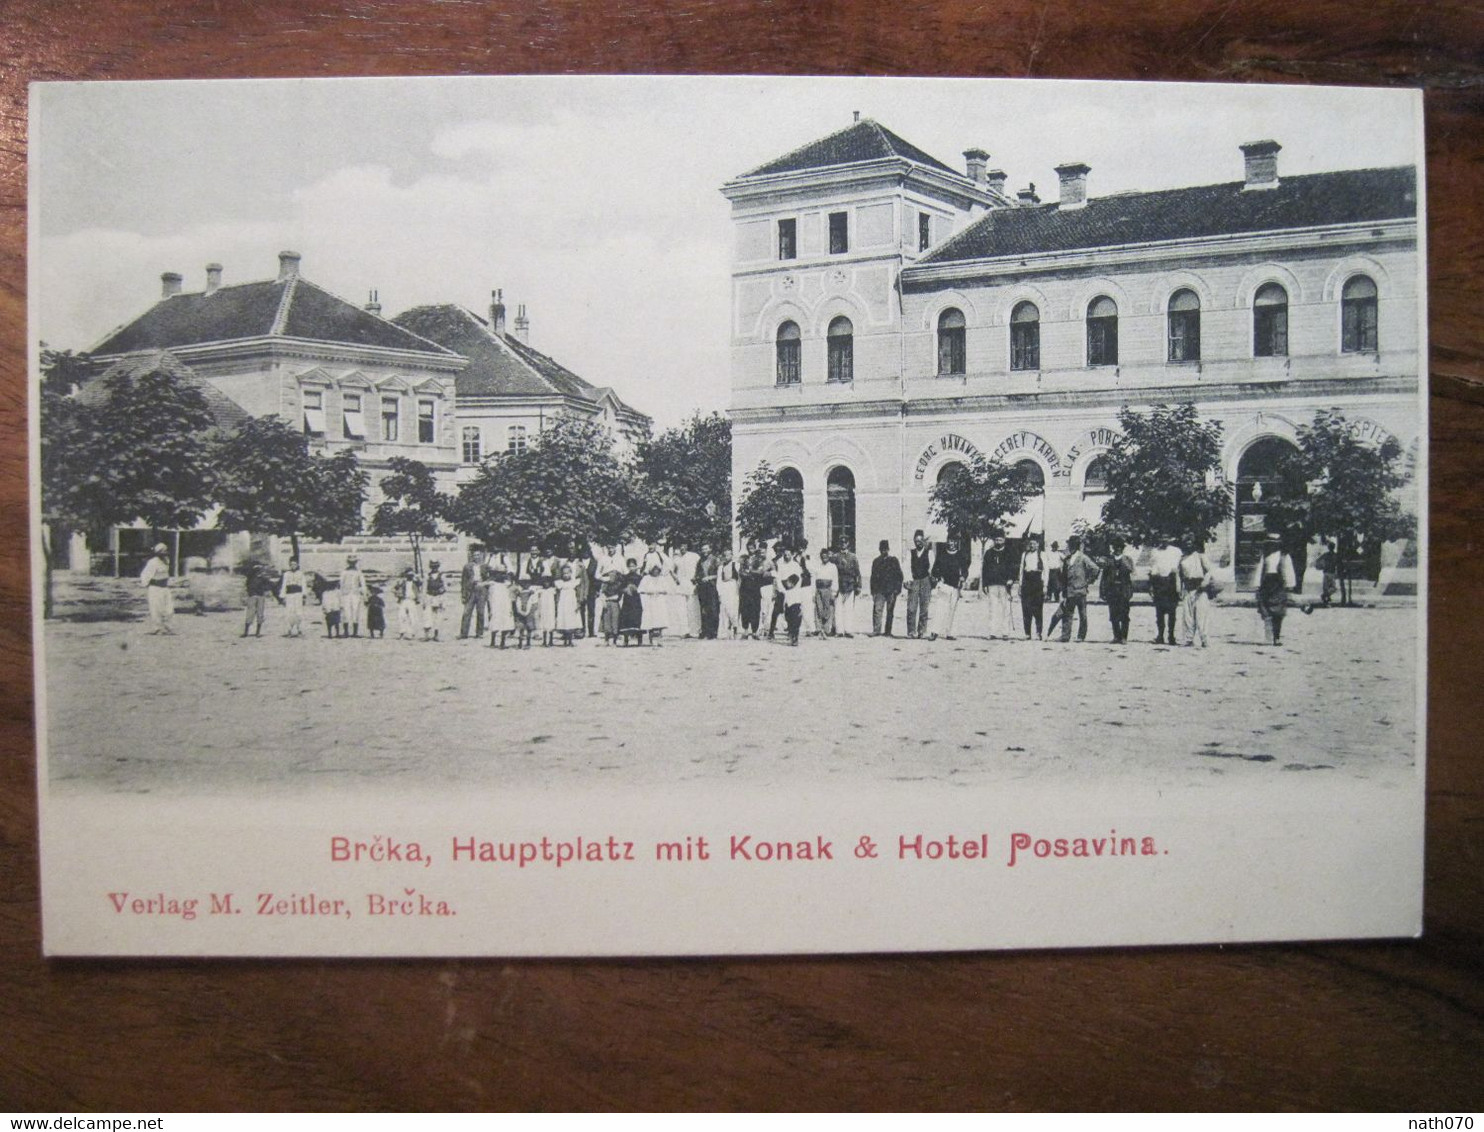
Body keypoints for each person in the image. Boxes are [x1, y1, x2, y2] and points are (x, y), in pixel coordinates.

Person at [1051, 535, 1099, 643]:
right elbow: (1064, 575)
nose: (1070, 547)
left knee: (1082, 615)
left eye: (1072, 545)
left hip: (1081, 590)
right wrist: (1063, 588)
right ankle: (1065, 636)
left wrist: (1088, 581)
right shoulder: (1067, 558)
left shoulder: (1083, 557)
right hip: (1069, 591)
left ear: (1076, 546)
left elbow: (1095, 568)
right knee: (1067, 613)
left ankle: (1081, 636)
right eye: (1070, 545)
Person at [1256, 532, 1300, 646]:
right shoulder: (1265, 557)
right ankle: (1269, 636)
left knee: (1279, 613)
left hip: (1279, 585)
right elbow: (1259, 571)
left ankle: (1277, 637)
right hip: (1267, 585)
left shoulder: (1284, 557)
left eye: (1274, 544)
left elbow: (1289, 571)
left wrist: (1289, 585)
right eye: (1270, 544)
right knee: (1267, 612)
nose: (1272, 546)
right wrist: (1257, 585)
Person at [930, 537, 968, 640]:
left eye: (954, 541)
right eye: (950, 541)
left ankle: (950, 633)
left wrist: (963, 576)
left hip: (955, 586)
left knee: (953, 610)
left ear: (956, 543)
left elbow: (964, 569)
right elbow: (934, 570)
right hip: (944, 585)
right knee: (940, 608)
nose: (952, 544)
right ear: (947, 542)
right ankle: (935, 632)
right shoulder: (942, 554)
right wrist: (939, 577)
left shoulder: (960, 555)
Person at [980, 534, 1017, 639]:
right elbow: (985, 569)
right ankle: (993, 632)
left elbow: (1014, 568)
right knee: (993, 609)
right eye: (996, 539)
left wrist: (1011, 579)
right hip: (992, 584)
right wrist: (984, 584)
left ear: (1004, 540)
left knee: (1006, 609)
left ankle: (1005, 632)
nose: (998, 542)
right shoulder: (989, 553)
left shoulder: (1009, 552)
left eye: (1000, 539)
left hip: (1005, 585)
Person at [1177, 541, 1214, 648]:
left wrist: (1204, 583)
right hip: (1188, 588)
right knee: (1187, 616)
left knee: (1201, 616)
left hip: (1200, 589)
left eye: (1190, 544)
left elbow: (1210, 571)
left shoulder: (1200, 556)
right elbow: (1179, 575)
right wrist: (1179, 588)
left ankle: (1204, 639)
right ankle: (1188, 639)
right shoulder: (1182, 559)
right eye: (1186, 544)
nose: (1188, 546)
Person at [1101, 537, 1135, 645]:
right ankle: (1116, 636)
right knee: (1113, 614)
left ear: (1123, 548)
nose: (1118, 549)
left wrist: (1123, 560)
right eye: (1116, 547)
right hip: (1112, 589)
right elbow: (1104, 576)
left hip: (1123, 589)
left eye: (1120, 547)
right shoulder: (1109, 560)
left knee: (1124, 614)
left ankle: (1124, 637)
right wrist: (1102, 591)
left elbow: (1131, 570)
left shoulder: (1127, 559)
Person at [1148, 536, 1182, 645]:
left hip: (1171, 582)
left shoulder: (1176, 551)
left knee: (1172, 612)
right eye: (1162, 539)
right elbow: (1152, 569)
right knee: (1159, 612)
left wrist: (1178, 586)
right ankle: (1160, 636)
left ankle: (1171, 636)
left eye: (1166, 539)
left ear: (1170, 540)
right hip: (1158, 583)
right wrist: (1151, 586)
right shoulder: (1154, 552)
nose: (1164, 541)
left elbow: (1178, 570)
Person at [869, 540, 904, 637]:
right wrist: (873, 591)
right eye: (882, 549)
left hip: (891, 590)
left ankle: (888, 631)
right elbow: (873, 577)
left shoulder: (894, 560)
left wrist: (897, 589)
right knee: (877, 610)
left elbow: (899, 576)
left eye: (885, 549)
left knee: (890, 611)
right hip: (879, 590)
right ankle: (876, 630)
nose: (884, 551)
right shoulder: (876, 561)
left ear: (888, 549)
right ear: (879, 550)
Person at [140, 542, 175, 635]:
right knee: (156, 609)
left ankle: (168, 628)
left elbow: (166, 574)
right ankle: (157, 628)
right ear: (158, 552)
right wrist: (146, 584)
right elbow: (145, 575)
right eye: (163, 551)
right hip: (155, 588)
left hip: (165, 588)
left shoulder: (166, 561)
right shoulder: (153, 562)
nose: (165, 553)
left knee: (169, 609)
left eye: (166, 551)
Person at [775, 548, 806, 645]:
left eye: (788, 554)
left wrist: (792, 586)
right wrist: (782, 590)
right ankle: (790, 631)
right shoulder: (781, 565)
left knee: (795, 614)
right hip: (785, 593)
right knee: (787, 614)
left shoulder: (796, 565)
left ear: (792, 555)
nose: (787, 556)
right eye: (785, 554)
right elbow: (779, 579)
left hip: (795, 592)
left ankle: (795, 636)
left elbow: (798, 579)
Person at [906, 530, 933, 639]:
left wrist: (932, 581)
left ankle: (921, 630)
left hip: (925, 580)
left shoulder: (929, 553)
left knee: (924, 607)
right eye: (916, 541)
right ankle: (911, 631)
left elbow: (932, 568)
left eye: (920, 540)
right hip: (914, 580)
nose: (918, 543)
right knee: (911, 607)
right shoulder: (910, 553)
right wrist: (908, 579)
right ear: (914, 541)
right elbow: (907, 567)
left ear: (924, 541)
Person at [1018, 536, 1046, 640]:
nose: (1032, 545)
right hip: (1026, 581)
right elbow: (1021, 570)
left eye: (1034, 543)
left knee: (1038, 608)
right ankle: (1027, 633)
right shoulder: (1024, 554)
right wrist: (1020, 585)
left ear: (1038, 544)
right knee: (1026, 608)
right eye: (1030, 543)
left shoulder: (1042, 555)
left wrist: (1045, 586)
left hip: (1037, 581)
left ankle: (1038, 632)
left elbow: (1045, 571)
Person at [487, 554, 516, 649]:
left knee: (505, 621)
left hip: (505, 605)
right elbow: (490, 597)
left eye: (503, 573)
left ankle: (503, 642)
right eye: (499, 573)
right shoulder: (493, 585)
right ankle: (492, 641)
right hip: (496, 606)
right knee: (495, 620)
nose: (501, 575)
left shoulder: (507, 584)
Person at [459, 549, 488, 639]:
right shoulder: (467, 567)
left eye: (478, 555)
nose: (476, 557)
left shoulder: (485, 566)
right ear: (472, 556)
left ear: (481, 556)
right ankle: (464, 633)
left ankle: (479, 633)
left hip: (481, 589)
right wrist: (463, 594)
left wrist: (485, 585)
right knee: (467, 612)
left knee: (480, 612)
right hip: (470, 590)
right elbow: (463, 581)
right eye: (475, 555)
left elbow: (489, 578)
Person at [833, 543, 861, 638]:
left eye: (845, 543)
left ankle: (848, 630)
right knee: (838, 609)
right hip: (839, 585)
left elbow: (857, 572)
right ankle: (839, 631)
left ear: (848, 544)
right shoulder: (835, 557)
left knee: (849, 609)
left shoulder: (853, 557)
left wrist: (858, 586)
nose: (843, 545)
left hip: (850, 585)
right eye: (841, 542)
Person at [241, 560, 273, 638]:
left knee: (260, 614)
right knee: (250, 614)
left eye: (259, 568)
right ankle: (246, 632)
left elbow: (269, 585)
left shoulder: (263, 578)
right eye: (256, 568)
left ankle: (257, 632)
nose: (257, 570)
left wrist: (265, 590)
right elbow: (246, 584)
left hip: (260, 596)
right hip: (252, 596)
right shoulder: (250, 577)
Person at [639, 563, 670, 645]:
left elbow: (667, 589)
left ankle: (659, 639)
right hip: (650, 601)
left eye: (657, 570)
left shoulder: (662, 579)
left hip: (660, 601)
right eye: (654, 569)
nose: (655, 571)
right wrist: (649, 591)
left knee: (660, 620)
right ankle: (651, 639)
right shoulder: (646, 578)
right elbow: (640, 589)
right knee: (651, 620)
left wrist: (659, 591)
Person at [617, 559, 645, 646]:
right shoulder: (625, 577)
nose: (631, 568)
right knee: (626, 618)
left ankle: (639, 640)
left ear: (636, 566)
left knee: (637, 617)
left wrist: (636, 589)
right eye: (630, 566)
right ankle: (626, 640)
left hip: (636, 600)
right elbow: (620, 588)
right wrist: (625, 589)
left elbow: (643, 588)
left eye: (633, 566)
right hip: (627, 601)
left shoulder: (639, 577)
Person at [696, 542, 721, 639]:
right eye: (703, 549)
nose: (704, 551)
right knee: (703, 609)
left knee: (713, 609)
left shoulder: (715, 560)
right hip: (703, 587)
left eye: (706, 549)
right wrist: (698, 578)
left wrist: (710, 577)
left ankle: (713, 632)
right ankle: (704, 631)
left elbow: (720, 574)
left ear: (710, 549)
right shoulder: (700, 560)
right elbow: (697, 573)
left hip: (712, 586)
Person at [813, 547, 839, 638]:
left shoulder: (832, 566)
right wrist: (813, 592)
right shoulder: (818, 566)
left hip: (828, 589)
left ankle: (827, 629)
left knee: (827, 609)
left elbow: (835, 580)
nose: (824, 558)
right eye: (822, 556)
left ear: (829, 557)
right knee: (818, 608)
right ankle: (819, 629)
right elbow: (814, 579)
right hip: (819, 589)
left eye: (826, 556)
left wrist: (834, 592)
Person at [279, 557, 308, 638]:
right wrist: (283, 596)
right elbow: (284, 585)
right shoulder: (286, 574)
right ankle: (289, 630)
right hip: (289, 595)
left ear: (297, 565)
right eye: (291, 564)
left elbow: (304, 585)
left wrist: (304, 595)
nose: (293, 566)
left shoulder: (300, 574)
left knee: (299, 612)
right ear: (289, 565)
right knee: (289, 612)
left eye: (294, 564)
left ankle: (299, 629)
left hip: (298, 594)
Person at [340, 554, 368, 637]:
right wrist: (340, 595)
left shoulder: (359, 572)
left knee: (356, 612)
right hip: (346, 594)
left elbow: (362, 584)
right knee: (346, 612)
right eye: (350, 562)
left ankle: (355, 632)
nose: (352, 564)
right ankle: (346, 632)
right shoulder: (344, 572)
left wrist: (364, 595)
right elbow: (341, 584)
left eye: (354, 562)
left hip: (356, 594)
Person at [554, 563, 582, 645]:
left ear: (571, 573)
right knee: (564, 620)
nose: (566, 575)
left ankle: (570, 640)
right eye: (564, 573)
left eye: (567, 573)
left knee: (571, 620)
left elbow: (578, 593)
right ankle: (565, 640)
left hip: (571, 604)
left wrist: (578, 603)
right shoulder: (560, 583)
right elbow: (557, 594)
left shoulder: (574, 582)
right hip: (563, 604)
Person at [421, 560, 448, 641]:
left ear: (438, 566)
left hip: (439, 597)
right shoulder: (427, 576)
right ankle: (427, 635)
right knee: (427, 616)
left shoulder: (442, 576)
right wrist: (424, 600)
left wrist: (442, 594)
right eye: (433, 566)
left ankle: (437, 635)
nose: (434, 568)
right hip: (429, 597)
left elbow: (445, 587)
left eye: (436, 566)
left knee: (438, 617)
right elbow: (424, 588)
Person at [717, 548, 741, 638]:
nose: (726, 557)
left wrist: (738, 589)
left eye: (728, 555)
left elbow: (739, 578)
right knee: (724, 609)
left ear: (731, 555)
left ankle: (734, 627)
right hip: (724, 587)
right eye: (725, 555)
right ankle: (725, 631)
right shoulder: (721, 567)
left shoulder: (736, 565)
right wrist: (719, 592)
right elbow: (719, 580)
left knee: (733, 609)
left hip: (733, 586)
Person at [393, 568, 421, 640]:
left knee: (412, 617)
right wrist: (397, 594)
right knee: (402, 616)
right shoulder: (403, 582)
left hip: (412, 600)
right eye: (408, 575)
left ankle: (411, 633)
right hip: (403, 600)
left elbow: (421, 583)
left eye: (411, 575)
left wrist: (417, 577)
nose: (410, 576)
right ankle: (402, 633)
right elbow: (394, 588)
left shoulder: (415, 582)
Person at [1317, 539, 1339, 606]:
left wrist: (1322, 565)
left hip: (1325, 572)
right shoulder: (1335, 555)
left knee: (1326, 587)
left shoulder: (1326, 554)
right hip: (1331, 572)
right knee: (1333, 588)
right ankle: (1325, 596)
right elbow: (1337, 564)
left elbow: (1318, 560)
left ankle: (1325, 597)